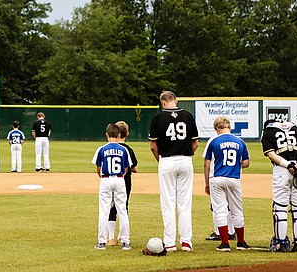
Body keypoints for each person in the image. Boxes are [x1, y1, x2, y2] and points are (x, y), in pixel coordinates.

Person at [149, 90, 199, 252]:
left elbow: (153, 146)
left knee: (168, 203)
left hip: (166, 160)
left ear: (163, 103)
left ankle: (170, 243)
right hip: (185, 160)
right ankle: (186, 242)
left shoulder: (158, 118)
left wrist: (161, 161)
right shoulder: (188, 116)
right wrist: (187, 155)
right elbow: (195, 143)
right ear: (175, 101)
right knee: (184, 203)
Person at [261, 117, 297, 252]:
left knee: (280, 207)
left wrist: (288, 164)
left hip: (281, 170)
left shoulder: (268, 133)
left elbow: (272, 155)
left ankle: (280, 243)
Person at [203, 117, 251, 252]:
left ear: (217, 128)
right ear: (229, 127)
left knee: (219, 210)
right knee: (237, 211)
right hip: (234, 178)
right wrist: (235, 165)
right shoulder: (240, 141)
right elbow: (246, 163)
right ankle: (241, 242)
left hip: (216, 178)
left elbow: (206, 164)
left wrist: (206, 182)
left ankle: (224, 243)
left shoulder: (213, 141)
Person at [92, 123, 132, 251]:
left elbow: (98, 168)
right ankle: (125, 242)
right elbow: (126, 168)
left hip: (105, 179)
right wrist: (119, 177)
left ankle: (102, 242)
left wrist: (103, 177)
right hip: (120, 179)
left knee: (104, 211)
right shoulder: (124, 149)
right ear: (119, 135)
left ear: (106, 135)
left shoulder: (101, 149)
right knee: (122, 211)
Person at [106, 120, 138, 246]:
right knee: (123, 207)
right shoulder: (128, 150)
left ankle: (110, 238)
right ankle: (122, 237)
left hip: (110, 179)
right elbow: (133, 167)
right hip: (125, 181)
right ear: (127, 133)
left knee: (111, 207)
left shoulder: (108, 148)